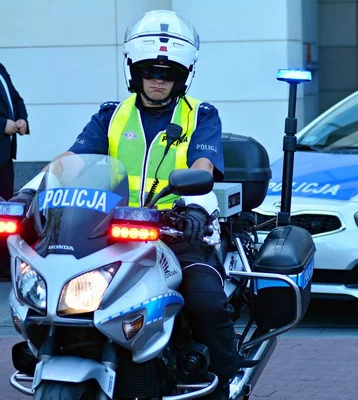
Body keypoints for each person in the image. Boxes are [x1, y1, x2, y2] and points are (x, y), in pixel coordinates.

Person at [11, 10, 237, 400]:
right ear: (135, 71)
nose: (158, 80)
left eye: (167, 73)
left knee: (205, 301)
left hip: (177, 229)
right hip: (110, 230)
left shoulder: (201, 115)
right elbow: (68, 163)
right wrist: (27, 193)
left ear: (182, 76)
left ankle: (223, 384)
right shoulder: (111, 116)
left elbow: (202, 168)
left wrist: (196, 208)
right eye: (150, 70)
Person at [0, 62, 29, 201]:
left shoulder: (1, 68)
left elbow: (16, 99)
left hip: (6, 156)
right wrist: (3, 124)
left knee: (5, 208)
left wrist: (22, 119)